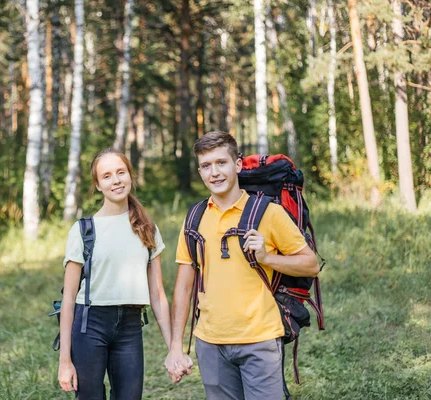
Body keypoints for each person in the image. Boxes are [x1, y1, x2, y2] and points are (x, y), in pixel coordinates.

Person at [164, 131, 319, 400]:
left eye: (221, 163)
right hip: (210, 343)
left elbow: (311, 264)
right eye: (206, 165)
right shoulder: (195, 217)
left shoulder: (268, 213)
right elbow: (184, 285)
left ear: (237, 165)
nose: (214, 172)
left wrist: (267, 258)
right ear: (200, 171)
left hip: (260, 339)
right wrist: (176, 346)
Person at [58, 148, 171, 400]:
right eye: (107, 176)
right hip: (90, 325)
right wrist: (65, 360)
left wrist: (173, 349)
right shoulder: (84, 230)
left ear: (131, 176)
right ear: (98, 185)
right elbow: (68, 300)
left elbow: (158, 295)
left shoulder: (148, 229)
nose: (116, 180)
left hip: (130, 327)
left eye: (121, 172)